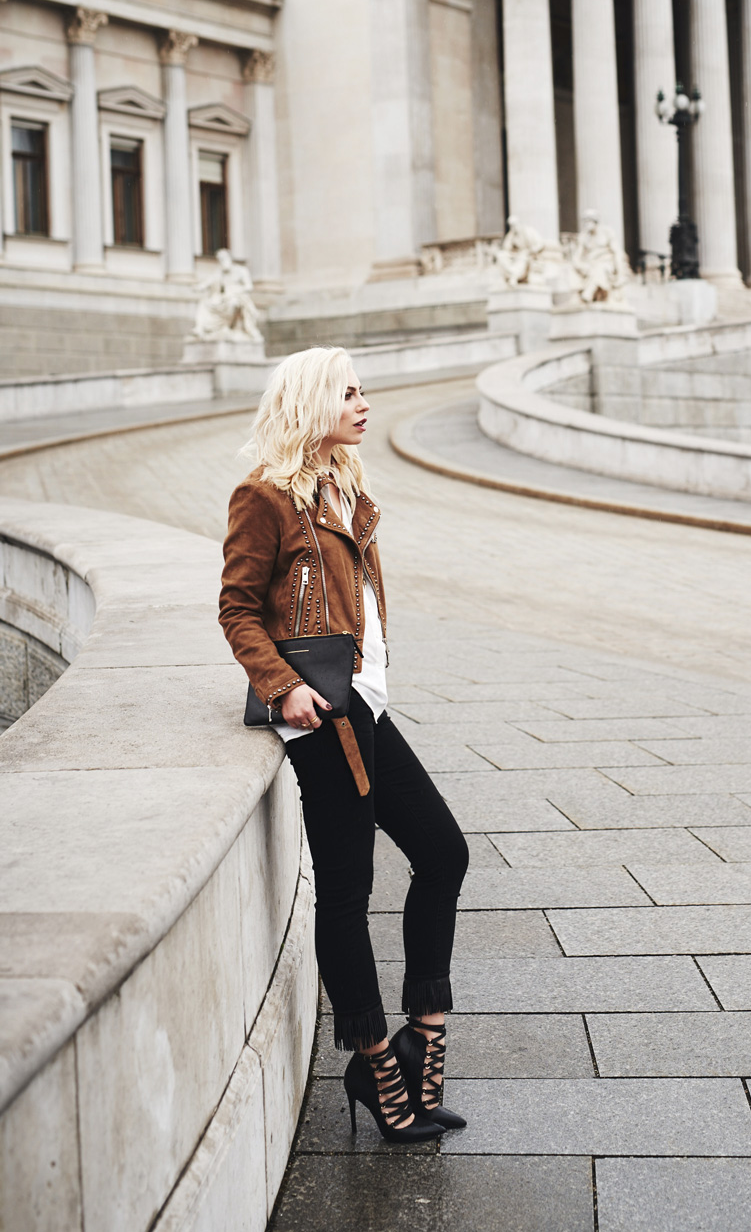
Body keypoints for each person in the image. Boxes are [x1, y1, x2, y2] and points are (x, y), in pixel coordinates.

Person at [219, 346, 469, 1142]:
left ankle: (423, 1036)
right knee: (348, 892)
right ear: (313, 403)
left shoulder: (345, 484)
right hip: (322, 719)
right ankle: (375, 1066)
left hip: (367, 707)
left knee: (443, 851)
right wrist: (281, 685)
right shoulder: (265, 496)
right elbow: (237, 609)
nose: (364, 403)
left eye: (363, 390)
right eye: (349, 392)